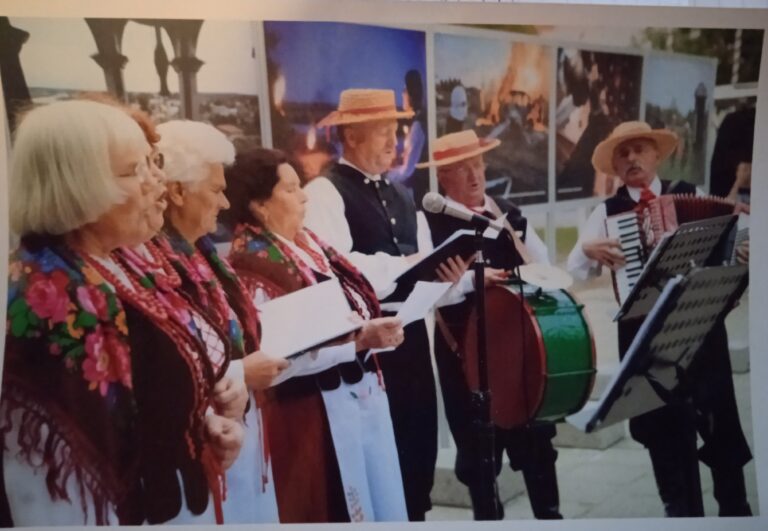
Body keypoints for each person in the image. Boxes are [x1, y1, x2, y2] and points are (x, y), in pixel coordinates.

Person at [1, 100, 242, 526]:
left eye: (154, 163)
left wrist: (199, 419)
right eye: (134, 171)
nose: (157, 182)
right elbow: (48, 487)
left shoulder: (118, 262)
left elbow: (147, 386)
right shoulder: (44, 296)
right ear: (76, 187)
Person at [566, 120, 753, 517]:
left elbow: (729, 246)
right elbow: (574, 270)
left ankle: (735, 511)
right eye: (623, 153)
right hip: (646, 337)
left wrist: (741, 251)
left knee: (721, 426)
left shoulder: (690, 193)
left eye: (640, 149)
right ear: (616, 166)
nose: (632, 158)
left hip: (702, 332)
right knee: (664, 434)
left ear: (656, 155)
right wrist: (587, 250)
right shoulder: (606, 213)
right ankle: (680, 513)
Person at [303, 88, 469, 521]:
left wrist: (446, 274)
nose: (394, 142)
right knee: (380, 462)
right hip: (365, 346)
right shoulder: (325, 192)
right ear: (351, 136)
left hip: (411, 341)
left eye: (395, 131)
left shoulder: (404, 195)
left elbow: (424, 260)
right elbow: (332, 265)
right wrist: (404, 265)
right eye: (383, 132)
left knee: (417, 450)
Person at [221, 147, 409, 523]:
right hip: (310, 414)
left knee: (380, 498)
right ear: (260, 205)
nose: (304, 197)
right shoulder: (253, 264)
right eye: (290, 189)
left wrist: (366, 331)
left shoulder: (310, 247)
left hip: (354, 397)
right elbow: (278, 356)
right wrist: (357, 342)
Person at [417, 130, 561, 520]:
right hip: (462, 359)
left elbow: (545, 268)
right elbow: (428, 294)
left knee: (537, 446)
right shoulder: (427, 222)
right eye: (462, 169)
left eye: (478, 165)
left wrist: (524, 278)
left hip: (516, 352)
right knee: (479, 459)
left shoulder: (509, 215)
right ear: (443, 177)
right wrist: (471, 282)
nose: (475, 175)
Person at [154, 120, 292, 524]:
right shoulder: (156, 263)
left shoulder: (202, 253)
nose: (226, 203)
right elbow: (168, 363)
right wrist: (241, 371)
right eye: (216, 190)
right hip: (209, 443)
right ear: (177, 191)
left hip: (238, 430)